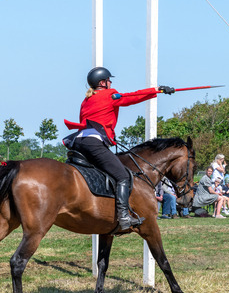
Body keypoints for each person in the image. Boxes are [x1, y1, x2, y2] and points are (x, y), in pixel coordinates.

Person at [64, 66, 173, 231]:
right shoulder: (109, 94)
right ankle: (123, 217)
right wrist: (157, 90)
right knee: (122, 176)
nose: (111, 82)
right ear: (103, 82)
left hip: (78, 142)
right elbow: (132, 97)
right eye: (109, 80)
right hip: (94, 142)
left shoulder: (86, 100)